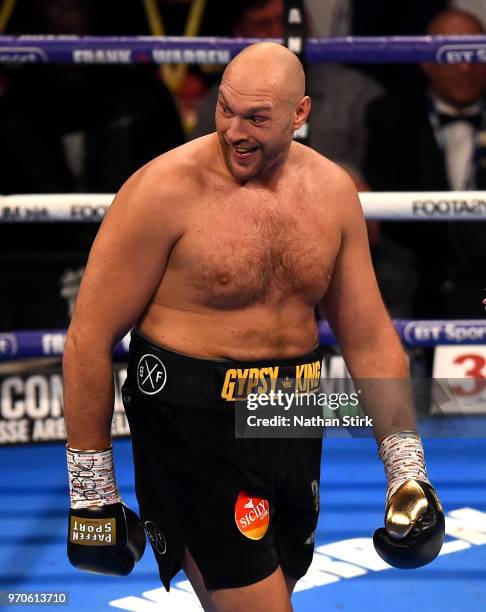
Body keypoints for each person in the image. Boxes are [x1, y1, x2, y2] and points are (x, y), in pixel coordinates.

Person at [63, 43, 444, 611]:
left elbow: (366, 335)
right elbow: (88, 338)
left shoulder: (332, 192)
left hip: (290, 417)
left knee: (264, 591)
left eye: (257, 118)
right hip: (190, 424)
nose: (234, 131)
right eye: (225, 109)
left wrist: (407, 472)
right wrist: (92, 493)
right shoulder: (160, 192)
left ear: (300, 113)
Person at [365, 9, 486, 318]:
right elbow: (384, 213)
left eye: (476, 54)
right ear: (425, 61)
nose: (466, 68)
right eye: (453, 56)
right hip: (414, 286)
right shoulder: (389, 116)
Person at [191, 0, 384, 186]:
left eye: (285, 21)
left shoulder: (357, 94)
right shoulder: (220, 102)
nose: (278, 34)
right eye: (263, 24)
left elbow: (376, 199)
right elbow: (203, 186)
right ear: (240, 32)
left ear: (306, 22)